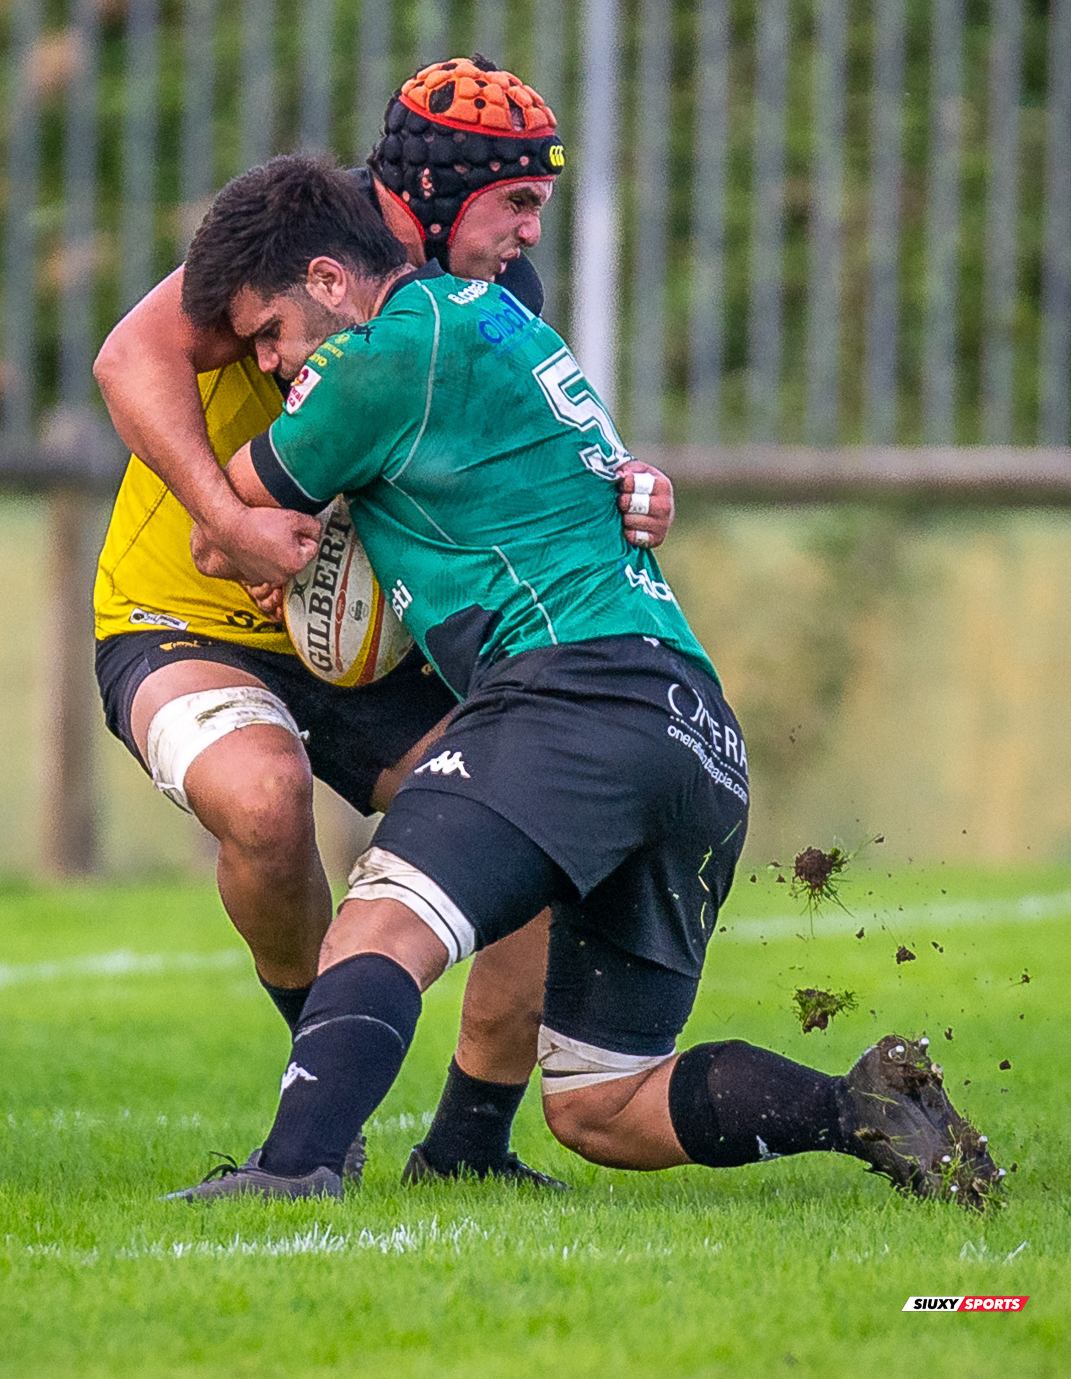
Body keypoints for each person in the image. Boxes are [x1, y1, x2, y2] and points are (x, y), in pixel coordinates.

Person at [172, 153, 1003, 1211]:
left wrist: (296, 533)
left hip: (573, 695)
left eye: (268, 333)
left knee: (380, 921)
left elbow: (219, 529)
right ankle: (858, 1109)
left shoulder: (384, 351)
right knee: (600, 1104)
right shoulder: (501, 326)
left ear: (330, 283)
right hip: (693, 730)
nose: (271, 362)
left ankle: (291, 1173)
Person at [92, 56, 675, 1186]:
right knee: (261, 803)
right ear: (447, 193)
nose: (526, 236)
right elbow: (130, 356)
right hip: (183, 608)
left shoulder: (496, 299)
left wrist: (635, 480)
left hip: (370, 639)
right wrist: (228, 520)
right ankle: (324, 1103)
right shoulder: (293, 250)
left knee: (529, 813)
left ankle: (467, 1146)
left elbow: (539, 440)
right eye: (516, 205)